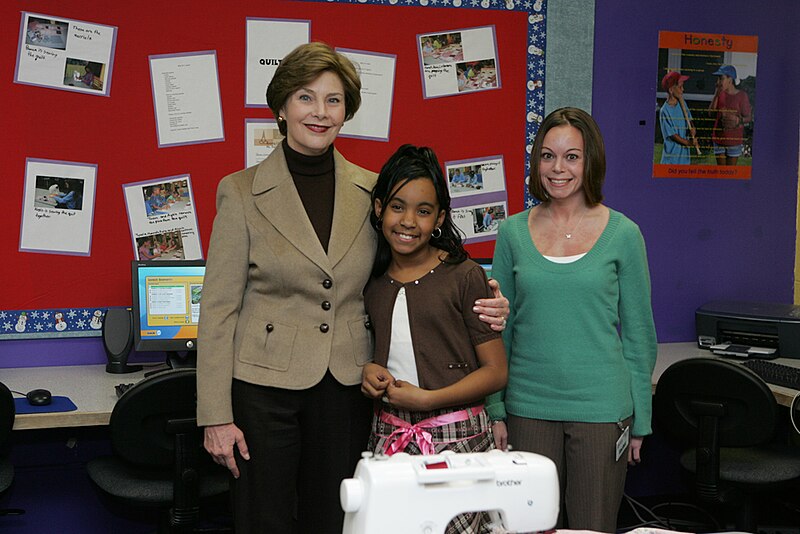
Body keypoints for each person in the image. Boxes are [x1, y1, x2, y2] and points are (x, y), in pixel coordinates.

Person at [196, 42, 509, 534]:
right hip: (263, 388)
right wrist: (214, 415)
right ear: (281, 107)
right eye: (306, 97)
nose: (320, 112)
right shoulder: (240, 192)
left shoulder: (371, 190)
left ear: (347, 111)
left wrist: (485, 298)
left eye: (334, 100)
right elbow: (217, 310)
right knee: (264, 519)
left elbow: (415, 263)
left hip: (347, 384)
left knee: (339, 517)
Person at [487, 107, 657, 532]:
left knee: (592, 525)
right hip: (528, 407)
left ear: (590, 160)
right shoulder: (511, 233)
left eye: (571, 157)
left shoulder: (623, 234)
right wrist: (496, 408)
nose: (557, 168)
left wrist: (641, 420)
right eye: (547, 156)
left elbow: (638, 335)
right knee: (528, 526)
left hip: (602, 411)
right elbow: (497, 328)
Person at [361, 145, 508, 534]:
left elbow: (496, 372)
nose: (408, 221)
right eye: (397, 206)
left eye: (423, 211)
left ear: (440, 217)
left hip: (458, 441)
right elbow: (380, 352)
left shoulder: (464, 275)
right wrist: (370, 371)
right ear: (378, 209)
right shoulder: (371, 280)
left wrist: (428, 399)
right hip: (389, 436)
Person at [708, 65, 752, 166]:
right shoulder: (719, 94)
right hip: (719, 139)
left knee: (730, 173)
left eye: (721, 78)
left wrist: (738, 121)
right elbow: (711, 113)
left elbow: (748, 117)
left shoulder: (741, 96)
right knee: (721, 173)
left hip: (734, 141)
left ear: (730, 79)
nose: (718, 82)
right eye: (718, 78)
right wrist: (716, 94)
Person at [658, 71, 696, 164]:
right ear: (671, 90)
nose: (683, 89)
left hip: (684, 156)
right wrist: (688, 143)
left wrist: (693, 128)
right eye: (680, 87)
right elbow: (673, 135)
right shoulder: (664, 111)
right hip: (671, 157)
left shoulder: (682, 103)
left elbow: (689, 119)